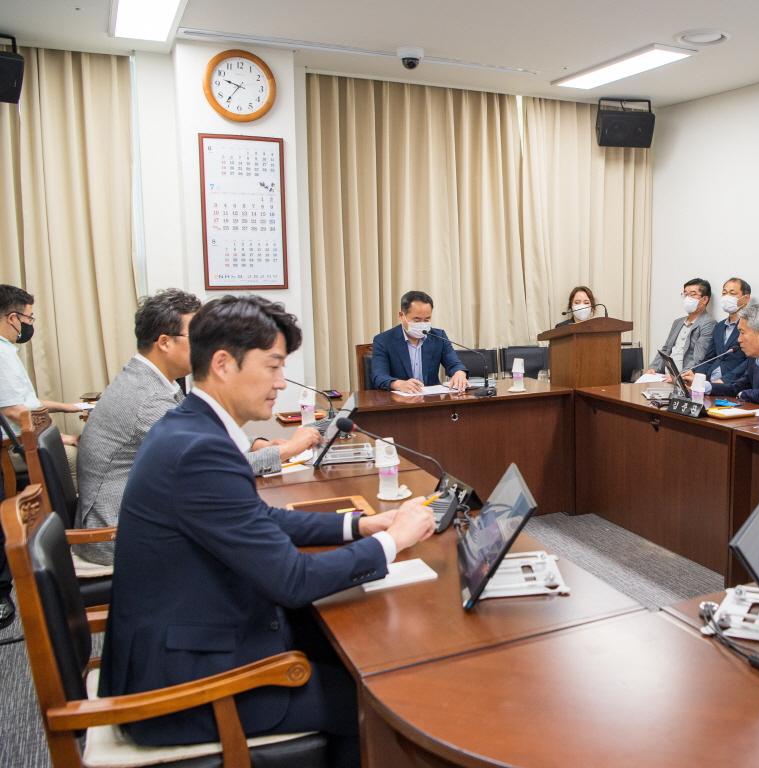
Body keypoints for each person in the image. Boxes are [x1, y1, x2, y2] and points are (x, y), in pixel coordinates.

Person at [99, 295, 436, 768]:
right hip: (187, 687)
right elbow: (292, 581)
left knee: (351, 649)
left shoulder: (191, 427)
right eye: (273, 366)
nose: (281, 383)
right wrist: (393, 540)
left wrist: (358, 525)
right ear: (222, 364)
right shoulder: (199, 449)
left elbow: (262, 520)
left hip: (192, 640)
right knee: (383, 696)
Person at [76, 290, 321, 566]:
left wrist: (254, 444)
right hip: (116, 535)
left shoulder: (152, 380)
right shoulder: (148, 398)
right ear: (165, 342)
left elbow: (205, 435)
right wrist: (288, 449)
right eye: (196, 337)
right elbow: (212, 463)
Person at [0, 284, 82, 630]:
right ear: (13, 317)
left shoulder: (6, 351)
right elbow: (13, 411)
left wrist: (72, 406)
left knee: (76, 447)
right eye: (29, 317)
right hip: (13, 449)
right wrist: (56, 434)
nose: (30, 325)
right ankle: (78, 540)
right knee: (74, 457)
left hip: (25, 436)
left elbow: (30, 403)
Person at [370, 290, 467, 393]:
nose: (422, 324)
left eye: (426, 320)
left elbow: (454, 364)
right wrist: (399, 384)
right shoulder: (383, 340)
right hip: (399, 402)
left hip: (431, 400)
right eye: (416, 320)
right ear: (401, 316)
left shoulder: (438, 337)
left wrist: (459, 372)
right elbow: (378, 376)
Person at [647, 278, 716, 374]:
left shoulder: (709, 323)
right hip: (663, 375)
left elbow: (699, 357)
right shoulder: (678, 322)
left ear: (704, 299)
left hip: (683, 378)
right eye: (685, 294)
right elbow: (666, 349)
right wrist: (653, 368)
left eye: (692, 294)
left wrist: (679, 377)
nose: (688, 298)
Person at [694, 277, 751, 384]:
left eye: (732, 293)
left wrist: (724, 381)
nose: (726, 297)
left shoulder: (751, 326)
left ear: (746, 299)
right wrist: (697, 376)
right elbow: (709, 358)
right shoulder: (719, 326)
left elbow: (751, 361)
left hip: (732, 384)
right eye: (724, 293)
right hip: (709, 381)